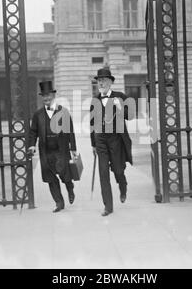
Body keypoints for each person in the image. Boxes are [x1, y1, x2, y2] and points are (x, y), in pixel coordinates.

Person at [28, 81, 78, 213]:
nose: (46, 98)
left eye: (48, 95)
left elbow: (70, 131)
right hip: (46, 151)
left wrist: (73, 148)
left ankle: (69, 187)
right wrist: (32, 145)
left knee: (64, 173)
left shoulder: (63, 111)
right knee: (50, 177)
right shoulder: (38, 114)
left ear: (53, 95)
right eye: (44, 95)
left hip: (61, 149)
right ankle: (59, 202)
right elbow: (33, 131)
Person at [90, 68, 134, 217]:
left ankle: (123, 185)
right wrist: (93, 144)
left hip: (116, 139)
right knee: (103, 172)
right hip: (101, 139)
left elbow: (130, 116)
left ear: (110, 82)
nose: (101, 83)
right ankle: (108, 206)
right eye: (99, 81)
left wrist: (119, 106)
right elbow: (92, 123)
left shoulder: (120, 96)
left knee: (118, 170)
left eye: (104, 80)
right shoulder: (95, 100)